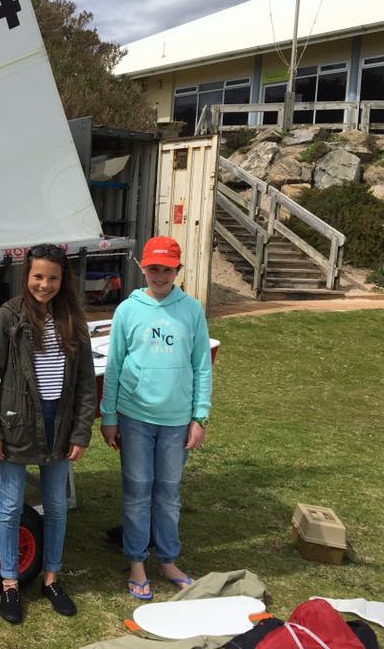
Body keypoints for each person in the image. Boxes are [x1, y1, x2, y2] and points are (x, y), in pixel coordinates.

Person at [0, 243, 97, 624]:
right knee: (10, 506)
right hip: (15, 424)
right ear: (27, 276)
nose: (44, 285)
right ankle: (10, 582)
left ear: (64, 280)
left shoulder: (74, 321)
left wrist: (81, 433)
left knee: (58, 506)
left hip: (58, 424)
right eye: (38, 277)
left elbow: (83, 385)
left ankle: (51, 577)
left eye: (53, 278)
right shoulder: (8, 317)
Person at [99, 235, 212, 601]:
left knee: (167, 494)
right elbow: (114, 366)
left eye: (166, 269)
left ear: (177, 271)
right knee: (136, 492)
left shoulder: (192, 309)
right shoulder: (128, 310)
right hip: (134, 417)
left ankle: (167, 560)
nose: (159, 275)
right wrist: (108, 415)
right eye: (153, 268)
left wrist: (200, 416)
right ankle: (136, 561)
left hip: (177, 420)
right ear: (142, 268)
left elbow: (202, 366)